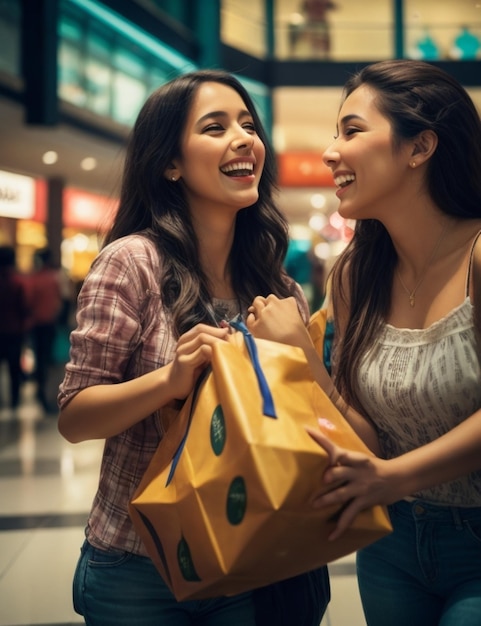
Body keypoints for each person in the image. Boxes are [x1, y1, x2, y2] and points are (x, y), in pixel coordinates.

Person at [57, 69, 330, 626]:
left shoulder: (280, 287)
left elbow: (317, 425)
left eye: (248, 125)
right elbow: (74, 416)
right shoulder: (132, 262)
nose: (243, 138)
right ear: (170, 163)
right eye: (215, 127)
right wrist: (169, 381)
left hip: (251, 562)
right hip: (138, 566)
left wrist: (301, 351)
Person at [247, 59, 481, 626]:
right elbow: (366, 436)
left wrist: (394, 476)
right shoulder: (355, 275)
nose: (331, 152)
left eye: (351, 131)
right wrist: (304, 361)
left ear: (419, 147)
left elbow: (384, 466)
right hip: (390, 543)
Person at [27, 247, 63, 413]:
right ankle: (50, 395)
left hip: (36, 324)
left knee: (41, 360)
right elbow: (61, 302)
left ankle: (43, 393)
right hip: (51, 324)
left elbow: (29, 302)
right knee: (50, 361)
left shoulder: (35, 279)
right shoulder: (54, 278)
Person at [0, 245, 30, 411]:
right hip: (14, 330)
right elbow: (23, 307)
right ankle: (14, 400)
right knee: (13, 367)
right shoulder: (17, 281)